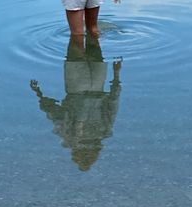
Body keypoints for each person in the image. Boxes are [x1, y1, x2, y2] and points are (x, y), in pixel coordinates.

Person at [30, 35, 123, 171]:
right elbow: (55, 114)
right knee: (76, 44)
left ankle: (84, 23)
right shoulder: (70, 135)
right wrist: (39, 95)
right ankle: (84, 23)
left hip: (96, 83)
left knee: (93, 42)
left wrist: (116, 75)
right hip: (77, 86)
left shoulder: (102, 133)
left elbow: (113, 104)